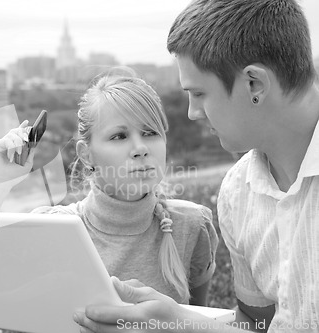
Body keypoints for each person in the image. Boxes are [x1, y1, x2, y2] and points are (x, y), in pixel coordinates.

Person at [73, 0, 319, 332]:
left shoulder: (193, 223)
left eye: (199, 93)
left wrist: (179, 325)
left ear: (254, 85)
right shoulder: (238, 192)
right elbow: (259, 325)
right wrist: (176, 322)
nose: (192, 112)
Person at [0, 75, 219, 332]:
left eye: (150, 133)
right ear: (86, 154)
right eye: (119, 136)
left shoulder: (191, 225)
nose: (140, 148)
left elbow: (197, 322)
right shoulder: (50, 228)